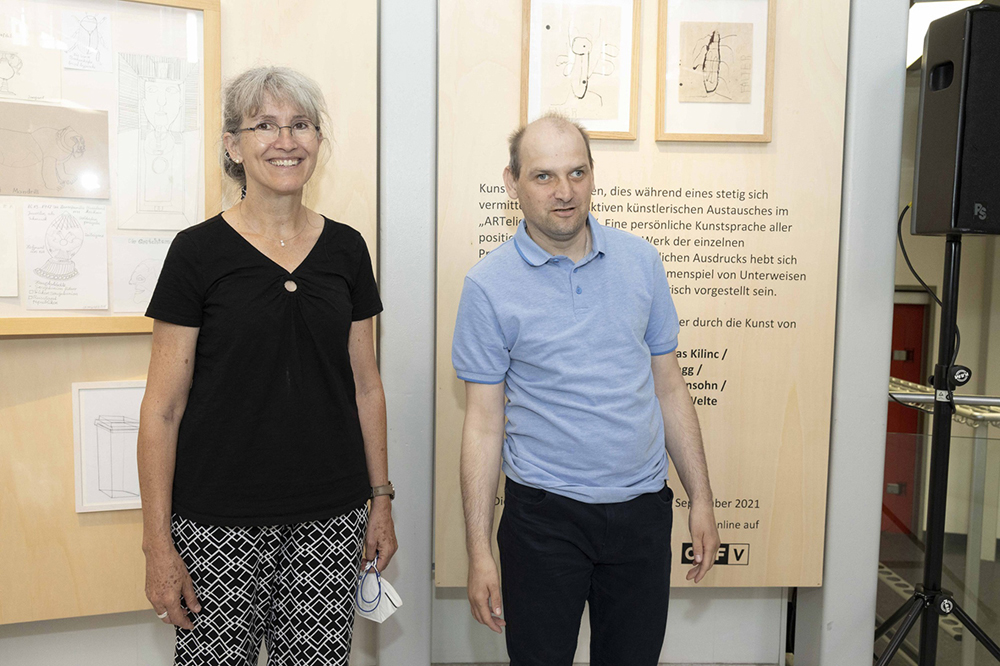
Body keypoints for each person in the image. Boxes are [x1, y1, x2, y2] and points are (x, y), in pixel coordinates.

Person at [137, 66, 397, 666]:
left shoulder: (348, 249)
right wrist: (156, 543)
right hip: (215, 525)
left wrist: (380, 500)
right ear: (234, 146)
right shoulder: (195, 252)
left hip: (330, 522)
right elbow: (162, 408)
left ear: (318, 141)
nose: (286, 141)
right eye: (265, 126)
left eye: (301, 125)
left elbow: (366, 387)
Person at [453, 114, 721, 665]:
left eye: (577, 172)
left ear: (593, 174)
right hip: (542, 521)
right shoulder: (487, 286)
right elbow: (482, 424)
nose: (565, 191)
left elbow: (670, 387)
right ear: (512, 182)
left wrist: (702, 499)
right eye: (544, 176)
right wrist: (479, 553)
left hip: (642, 514)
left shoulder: (641, 262)